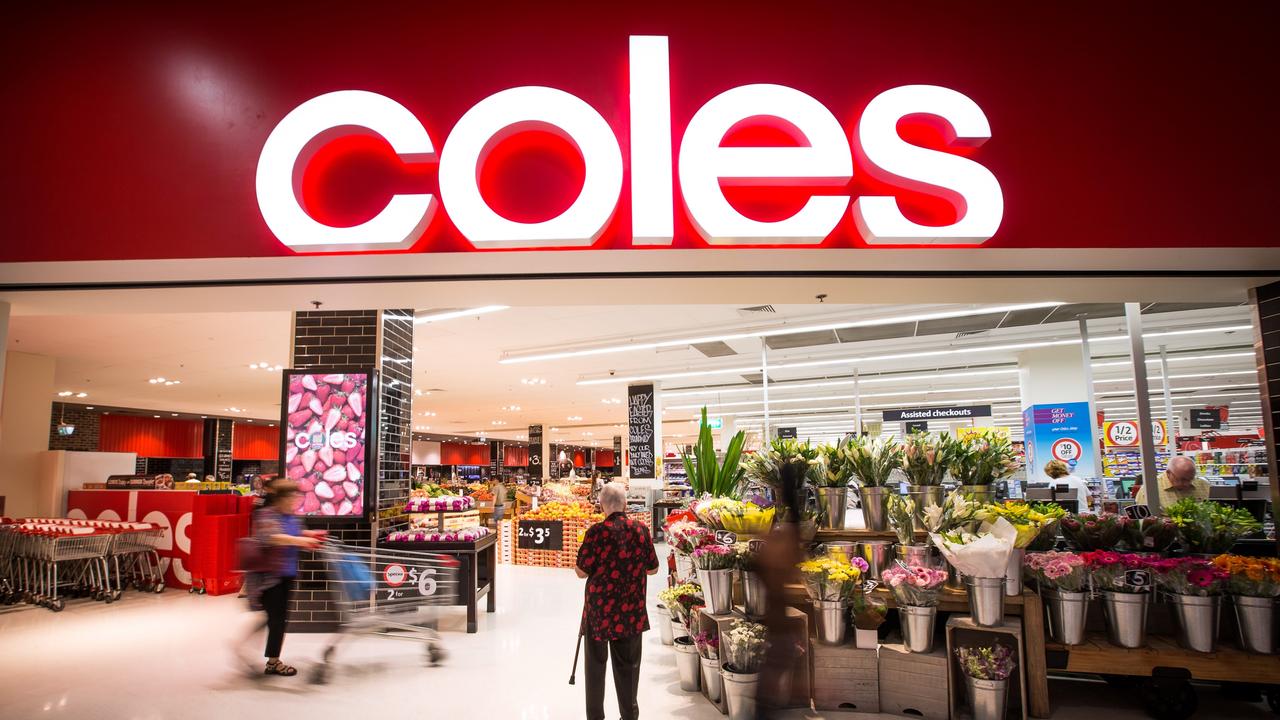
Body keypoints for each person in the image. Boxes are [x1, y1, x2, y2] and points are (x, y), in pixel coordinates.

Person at [575, 482, 659, 720]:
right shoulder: (641, 530)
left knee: (595, 669)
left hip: (598, 613)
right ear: (625, 504)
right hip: (630, 612)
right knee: (629, 669)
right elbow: (653, 569)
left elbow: (581, 571)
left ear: (602, 506)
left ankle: (595, 717)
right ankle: (629, 716)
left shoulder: (595, 533)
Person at [239, 478, 324, 677]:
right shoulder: (265, 515)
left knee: (276, 618)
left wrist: (310, 534)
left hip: (288, 573)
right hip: (270, 577)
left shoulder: (291, 516)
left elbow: (292, 532)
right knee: (276, 619)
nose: (296, 499)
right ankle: (273, 662)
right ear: (280, 498)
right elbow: (273, 537)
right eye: (292, 496)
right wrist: (300, 540)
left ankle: (253, 650)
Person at [1135, 455, 1210, 508]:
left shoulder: (1203, 485)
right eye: (1182, 479)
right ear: (1168, 473)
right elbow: (1143, 521)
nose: (1187, 484)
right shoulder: (1150, 489)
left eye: (1191, 479)